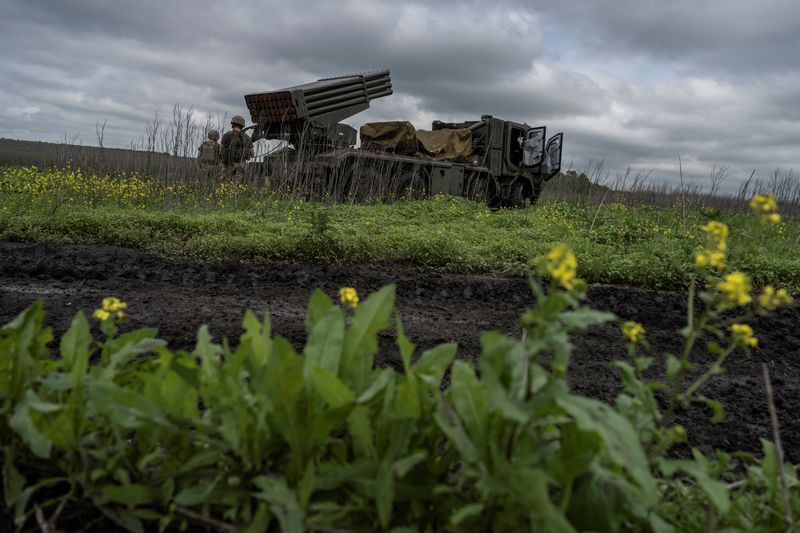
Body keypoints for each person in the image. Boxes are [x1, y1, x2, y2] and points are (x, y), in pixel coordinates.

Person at [220, 115, 254, 180]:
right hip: (241, 165)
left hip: (228, 164)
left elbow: (221, 149)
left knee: (224, 181)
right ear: (242, 125)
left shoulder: (226, 135)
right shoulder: (247, 137)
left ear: (232, 124)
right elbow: (253, 154)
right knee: (237, 183)